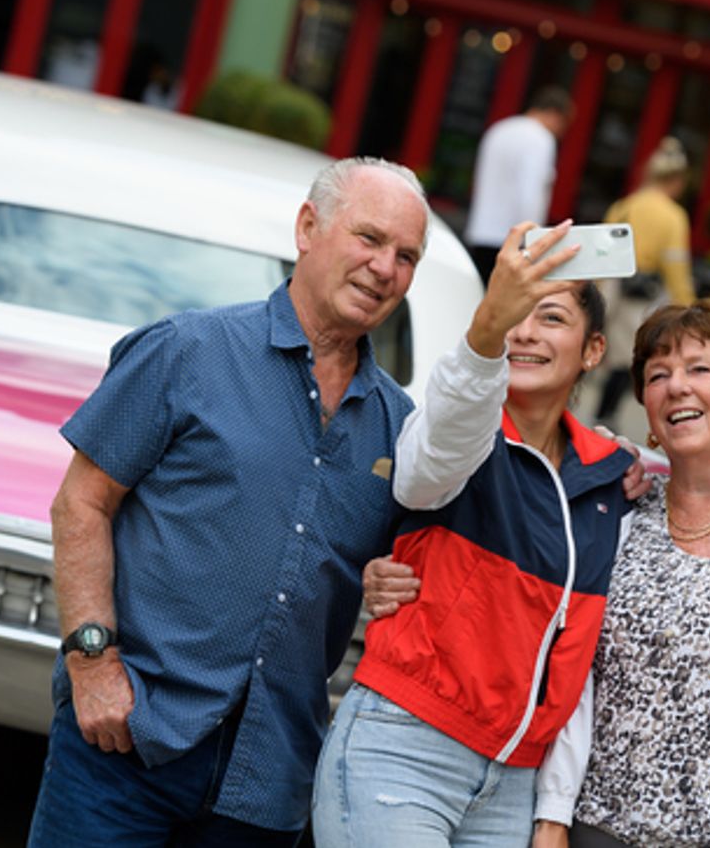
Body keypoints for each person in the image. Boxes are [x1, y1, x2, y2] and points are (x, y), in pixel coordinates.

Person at [367, 298, 710, 848]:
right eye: (658, 375)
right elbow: (522, 594)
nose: (677, 387)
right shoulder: (619, 507)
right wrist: (392, 574)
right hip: (597, 832)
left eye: (700, 369)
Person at [27, 157, 432, 847]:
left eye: (405, 255)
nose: (384, 267)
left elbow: (408, 563)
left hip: (267, 782)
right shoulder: (187, 352)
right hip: (127, 741)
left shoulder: (399, 423)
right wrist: (91, 663)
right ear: (309, 227)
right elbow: (80, 505)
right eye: (368, 238)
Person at [311, 222, 634, 847]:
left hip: (513, 780)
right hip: (406, 745)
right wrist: (486, 331)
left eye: (551, 317)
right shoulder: (461, 431)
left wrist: (553, 810)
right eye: (514, 312)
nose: (525, 333)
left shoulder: (612, 484)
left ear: (594, 350)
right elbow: (423, 471)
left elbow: (582, 663)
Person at [593, 136, 696, 428]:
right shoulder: (674, 216)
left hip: (611, 283)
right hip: (639, 291)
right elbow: (676, 265)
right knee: (626, 355)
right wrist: (687, 304)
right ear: (676, 180)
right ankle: (606, 414)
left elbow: (601, 248)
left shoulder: (624, 205)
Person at [462, 87, 572, 285]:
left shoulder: (499, 129)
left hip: (480, 230)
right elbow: (531, 193)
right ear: (555, 115)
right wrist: (535, 240)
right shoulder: (541, 139)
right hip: (512, 241)